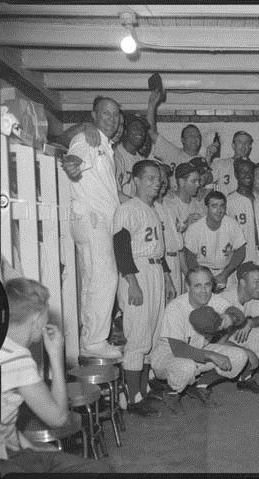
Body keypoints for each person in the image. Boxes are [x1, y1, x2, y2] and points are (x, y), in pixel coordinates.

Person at [0, 278, 113, 474]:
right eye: (45, 314)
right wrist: (56, 357)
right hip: (5, 463)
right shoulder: (17, 359)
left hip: (10, 452)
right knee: (100, 471)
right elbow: (59, 419)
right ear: (36, 318)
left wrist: (30, 447)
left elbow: (4, 418)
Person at [60, 96, 125, 359]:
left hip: (99, 221)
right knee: (103, 277)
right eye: (106, 113)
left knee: (96, 279)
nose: (111, 119)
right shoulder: (89, 138)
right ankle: (94, 341)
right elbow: (73, 158)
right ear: (94, 115)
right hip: (92, 219)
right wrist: (71, 165)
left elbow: (109, 191)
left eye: (115, 114)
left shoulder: (106, 147)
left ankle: (91, 338)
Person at [113, 160, 177, 417]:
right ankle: (132, 397)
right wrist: (132, 283)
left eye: (158, 179)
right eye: (149, 178)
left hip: (154, 272)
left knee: (151, 335)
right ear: (136, 180)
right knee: (138, 335)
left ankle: (144, 389)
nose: (156, 183)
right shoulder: (127, 208)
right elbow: (121, 247)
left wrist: (167, 277)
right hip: (136, 273)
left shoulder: (153, 209)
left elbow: (158, 249)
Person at [150, 267, 250, 414]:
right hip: (168, 356)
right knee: (187, 367)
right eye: (197, 285)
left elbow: (239, 315)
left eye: (207, 284)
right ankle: (171, 393)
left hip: (200, 350)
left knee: (240, 356)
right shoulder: (175, 307)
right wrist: (212, 355)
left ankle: (201, 386)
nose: (204, 290)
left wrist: (231, 317)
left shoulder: (213, 299)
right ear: (188, 287)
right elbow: (179, 349)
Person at [146, 90, 218, 189]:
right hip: (170, 199)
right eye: (190, 135)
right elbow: (151, 131)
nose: (194, 137)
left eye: (197, 135)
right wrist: (151, 105)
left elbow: (208, 180)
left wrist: (208, 158)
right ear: (182, 140)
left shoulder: (203, 160)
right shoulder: (171, 151)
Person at [183, 190, 246, 292]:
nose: (219, 210)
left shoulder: (232, 224)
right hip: (202, 274)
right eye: (214, 206)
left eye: (222, 206)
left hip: (226, 272)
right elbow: (190, 258)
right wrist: (206, 278)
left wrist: (225, 274)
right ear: (206, 208)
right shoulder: (195, 228)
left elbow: (241, 251)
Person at [163, 162, 206, 285]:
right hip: (175, 262)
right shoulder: (168, 204)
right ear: (181, 182)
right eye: (194, 181)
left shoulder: (199, 205)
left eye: (199, 181)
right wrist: (186, 223)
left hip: (195, 260)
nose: (198, 185)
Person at [226, 159, 259, 267]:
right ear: (236, 174)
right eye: (243, 172)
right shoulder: (229, 202)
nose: (247, 175)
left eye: (250, 172)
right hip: (241, 258)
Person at [155, 164, 186, 295]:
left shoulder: (171, 204)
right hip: (161, 264)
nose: (162, 182)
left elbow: (180, 244)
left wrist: (186, 271)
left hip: (176, 262)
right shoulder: (150, 207)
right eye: (158, 178)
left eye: (165, 178)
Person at [114, 115, 149, 198]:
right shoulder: (115, 156)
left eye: (142, 129)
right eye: (135, 128)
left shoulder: (142, 162)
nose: (140, 132)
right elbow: (113, 192)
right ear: (125, 131)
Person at [211, 130, 253, 196]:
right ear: (233, 145)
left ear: (250, 147)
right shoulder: (219, 164)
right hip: (224, 204)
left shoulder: (254, 168)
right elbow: (213, 186)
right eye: (239, 142)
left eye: (246, 142)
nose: (243, 145)